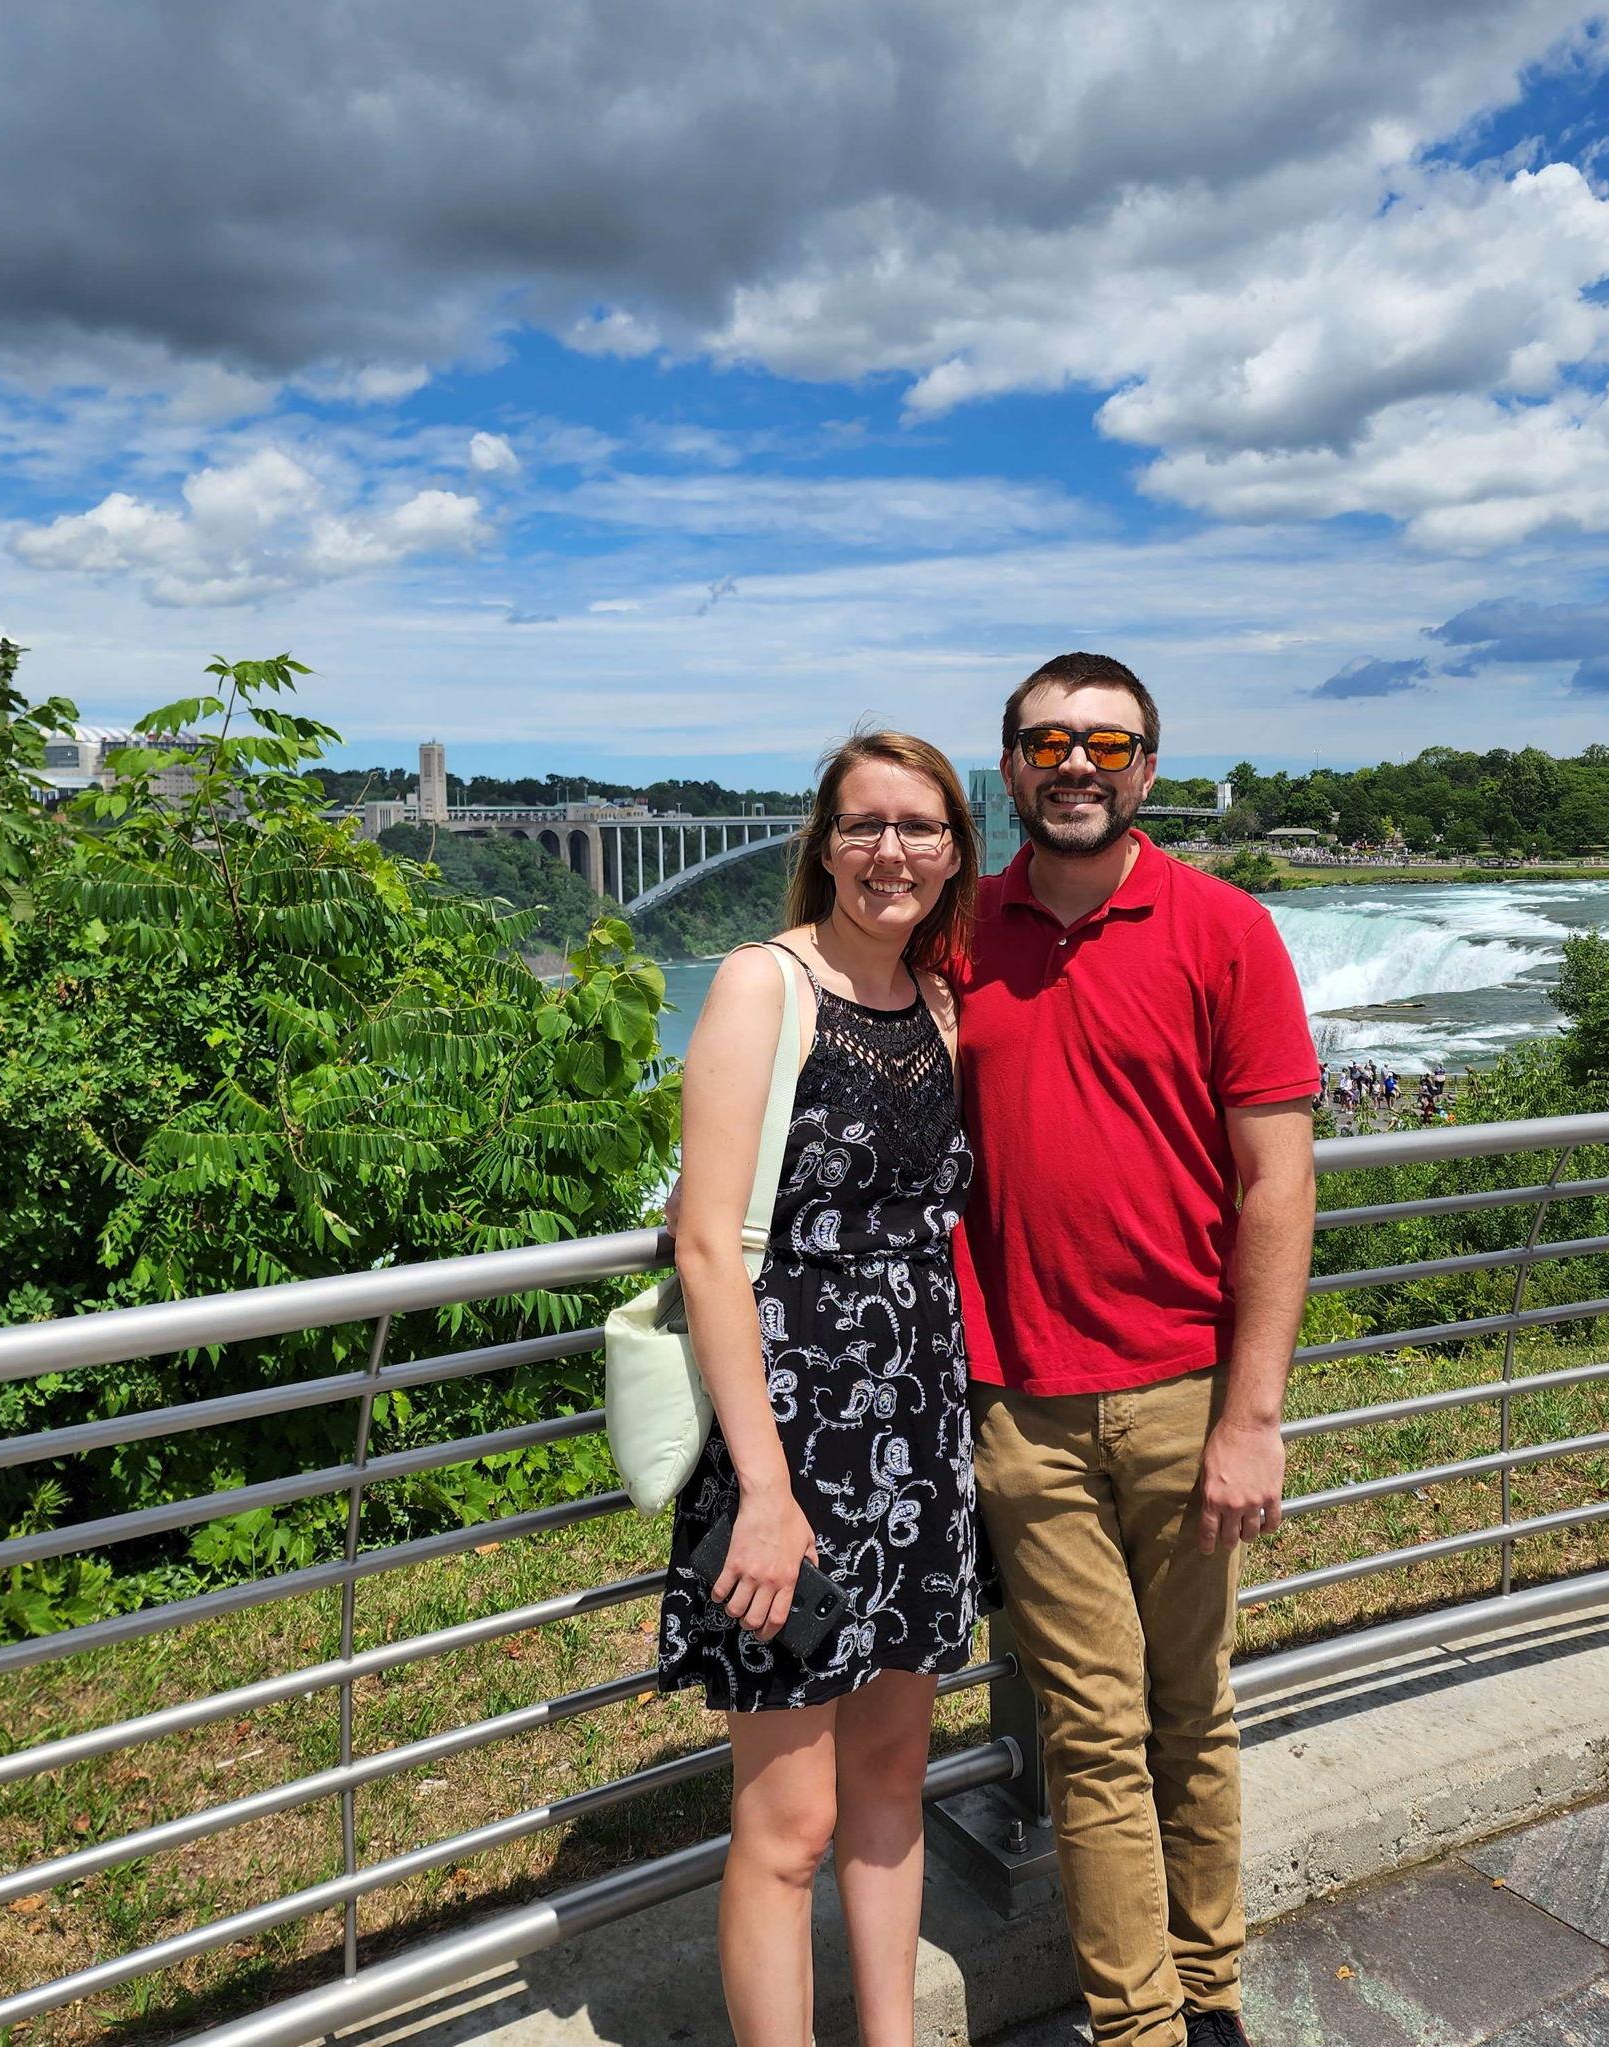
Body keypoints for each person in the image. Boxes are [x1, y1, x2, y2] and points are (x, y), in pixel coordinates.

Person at [956, 653, 1320, 2047]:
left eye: (1107, 743)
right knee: (1093, 1736)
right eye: (1047, 742)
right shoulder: (958, 936)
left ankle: (1213, 1994)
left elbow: (1277, 1186)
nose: (1076, 765)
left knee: (1192, 1715)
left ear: (1147, 771)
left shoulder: (1227, 930)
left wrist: (1252, 1414)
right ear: (1011, 770)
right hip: (1027, 1410)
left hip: (1185, 1395)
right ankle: (1143, 2027)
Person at [659, 732, 990, 2047]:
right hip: (789, 1459)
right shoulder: (762, 985)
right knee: (788, 1821)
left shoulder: (942, 1006)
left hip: (918, 1447)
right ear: (823, 841)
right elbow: (705, 1246)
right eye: (864, 826)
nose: (890, 851)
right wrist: (765, 1496)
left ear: (956, 849)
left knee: (895, 1782)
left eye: (919, 826)